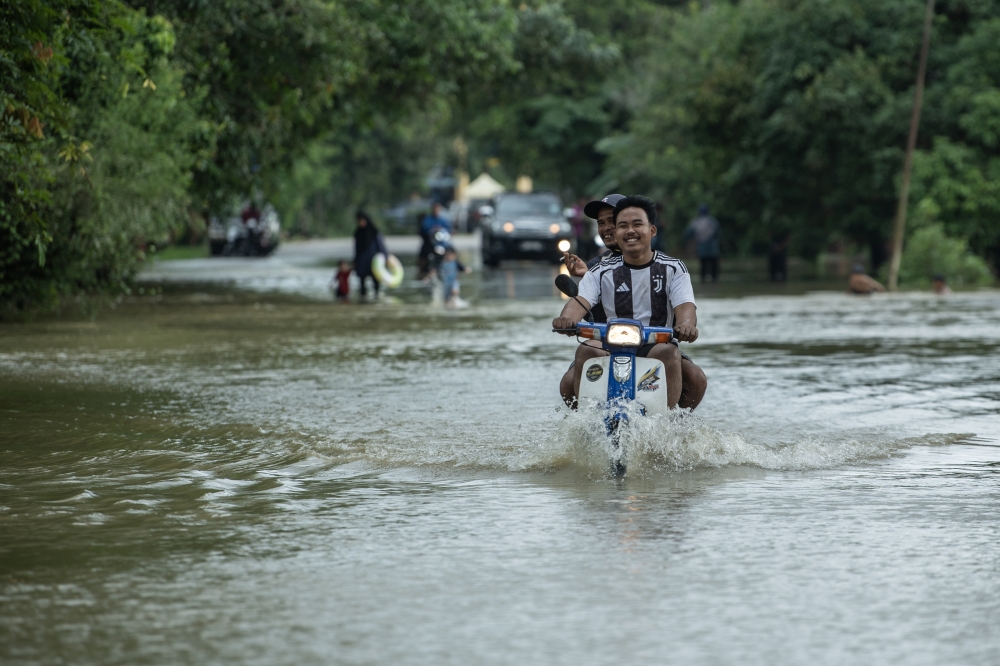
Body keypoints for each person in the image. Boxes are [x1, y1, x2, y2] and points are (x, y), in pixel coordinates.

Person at [560, 195, 708, 410]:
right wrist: (565, 320)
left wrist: (687, 325)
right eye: (622, 226)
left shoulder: (673, 268)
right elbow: (579, 301)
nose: (629, 231)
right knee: (579, 362)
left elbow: (685, 306)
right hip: (606, 344)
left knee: (691, 374)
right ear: (617, 234)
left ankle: (668, 426)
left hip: (655, 344)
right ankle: (586, 426)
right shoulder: (598, 270)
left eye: (637, 224)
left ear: (652, 230)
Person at [353, 211, 388, 300]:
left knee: (376, 282)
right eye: (359, 221)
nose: (360, 223)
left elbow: (381, 246)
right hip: (362, 261)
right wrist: (355, 261)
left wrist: (386, 257)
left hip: (374, 261)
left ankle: (377, 297)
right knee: (362, 283)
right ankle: (363, 299)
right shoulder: (358, 233)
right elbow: (356, 249)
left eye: (361, 220)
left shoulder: (374, 232)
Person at [683, 204, 721, 283]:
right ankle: (714, 284)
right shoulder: (712, 221)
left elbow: (688, 234)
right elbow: (718, 233)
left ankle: (703, 283)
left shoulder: (695, 222)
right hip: (712, 249)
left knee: (703, 268)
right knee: (714, 269)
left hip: (702, 249)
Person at [418, 202, 451, 278]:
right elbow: (423, 230)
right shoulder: (427, 220)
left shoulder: (443, 220)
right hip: (429, 243)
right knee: (423, 258)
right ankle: (421, 272)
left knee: (450, 252)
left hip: (441, 244)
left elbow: (449, 231)